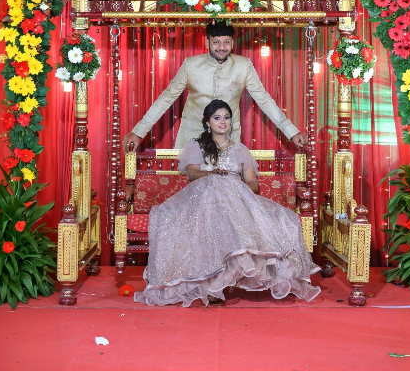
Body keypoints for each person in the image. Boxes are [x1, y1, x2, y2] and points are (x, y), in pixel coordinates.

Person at [134, 99, 321, 307]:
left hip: (235, 198)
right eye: (216, 118)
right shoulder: (197, 146)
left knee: (283, 218)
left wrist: (234, 186)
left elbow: (252, 184)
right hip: (204, 196)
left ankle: (221, 281)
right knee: (214, 187)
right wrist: (213, 174)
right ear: (207, 122)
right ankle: (211, 284)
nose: (222, 122)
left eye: (226, 117)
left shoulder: (240, 149)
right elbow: (194, 173)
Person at [123, 20, 307, 151]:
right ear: (207, 42)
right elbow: (166, 98)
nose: (222, 47)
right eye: (216, 42)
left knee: (225, 192)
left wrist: (291, 132)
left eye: (226, 42)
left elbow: (264, 100)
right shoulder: (191, 64)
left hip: (227, 137)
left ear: (232, 43)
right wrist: (139, 132)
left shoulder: (243, 65)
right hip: (193, 136)